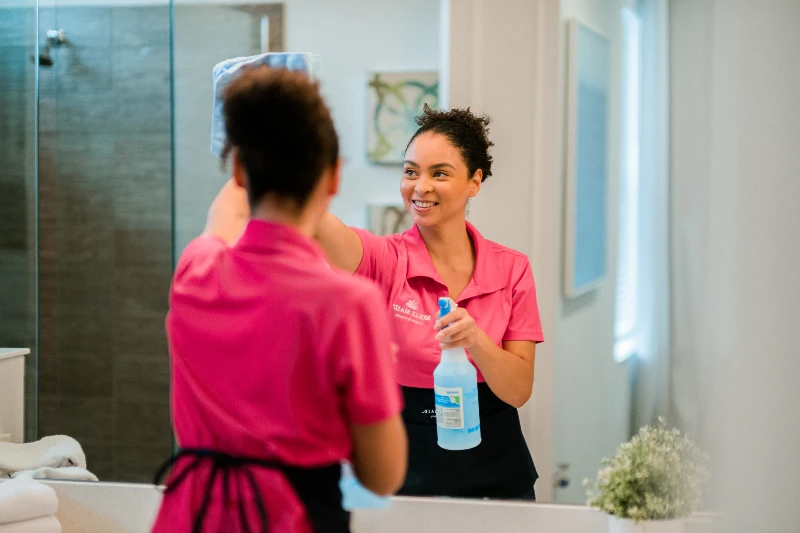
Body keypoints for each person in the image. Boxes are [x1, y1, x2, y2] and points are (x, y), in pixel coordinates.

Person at [150, 67, 407, 533]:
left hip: (193, 517)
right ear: (334, 178)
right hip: (293, 520)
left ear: (239, 171)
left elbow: (223, 218)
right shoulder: (348, 304)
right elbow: (383, 475)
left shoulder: (197, 269)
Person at [315, 105, 544, 500]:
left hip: (497, 474)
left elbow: (519, 390)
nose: (420, 187)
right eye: (410, 171)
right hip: (405, 474)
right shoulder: (385, 260)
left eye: (439, 173)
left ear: (474, 182)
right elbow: (318, 227)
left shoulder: (512, 270)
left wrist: (476, 341)